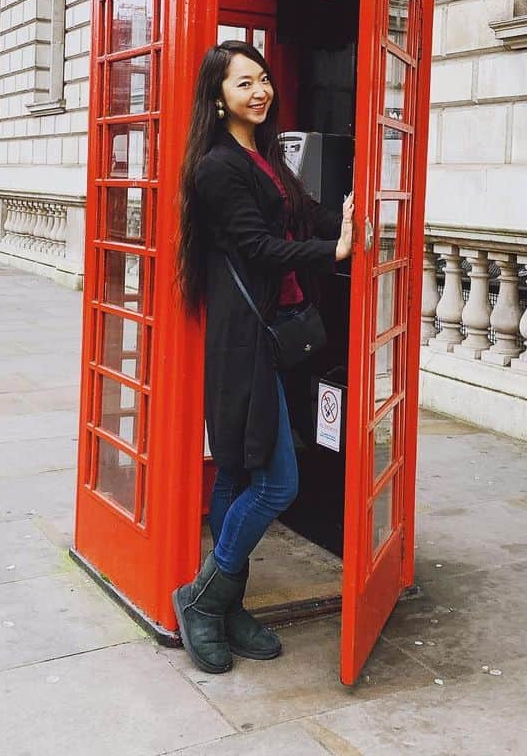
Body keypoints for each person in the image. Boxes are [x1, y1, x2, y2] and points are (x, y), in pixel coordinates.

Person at [174, 40, 354, 674]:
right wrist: (334, 252)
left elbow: (304, 217)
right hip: (242, 339)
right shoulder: (218, 167)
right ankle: (200, 600)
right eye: (243, 82)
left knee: (237, 476)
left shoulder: (268, 154)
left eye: (263, 79)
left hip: (274, 331)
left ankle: (228, 608)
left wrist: (354, 216)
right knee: (276, 482)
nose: (259, 90)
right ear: (217, 96)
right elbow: (259, 246)